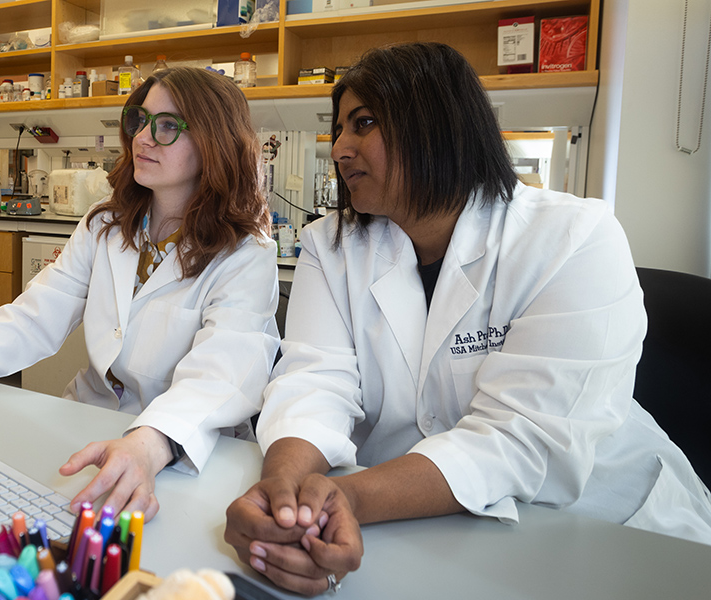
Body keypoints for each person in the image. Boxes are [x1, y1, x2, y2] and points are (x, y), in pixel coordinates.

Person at [224, 42, 711, 596]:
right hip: (422, 527)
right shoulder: (329, 245)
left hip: (610, 532)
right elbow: (315, 381)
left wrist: (350, 499)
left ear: (438, 123)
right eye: (338, 129)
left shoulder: (574, 237)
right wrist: (283, 493)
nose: (339, 149)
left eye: (363, 123)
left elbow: (519, 436)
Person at [0, 66, 280, 522]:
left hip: (182, 448)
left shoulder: (247, 254)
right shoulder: (106, 224)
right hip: (91, 420)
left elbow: (223, 373)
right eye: (140, 120)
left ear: (214, 142)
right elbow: (37, 314)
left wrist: (150, 444)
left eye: (168, 125)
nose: (143, 137)